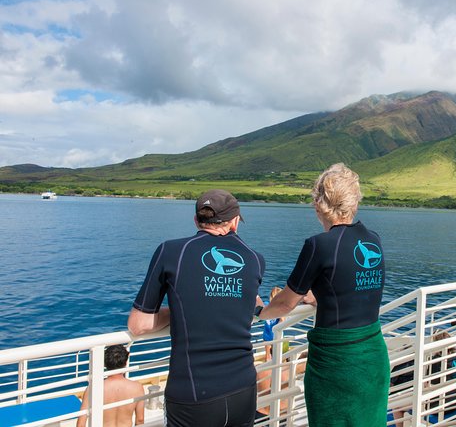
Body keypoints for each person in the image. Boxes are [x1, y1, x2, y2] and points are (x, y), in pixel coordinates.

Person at [258, 163, 390, 426]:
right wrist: (318, 298)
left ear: (319, 204)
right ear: (353, 201)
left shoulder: (318, 245)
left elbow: (284, 304)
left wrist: (260, 313)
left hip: (338, 363)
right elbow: (353, 286)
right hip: (373, 354)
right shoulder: (373, 239)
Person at [127, 189, 265, 427]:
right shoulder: (255, 259)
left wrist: (184, 309)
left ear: (196, 220)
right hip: (243, 388)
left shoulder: (171, 251)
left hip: (193, 393)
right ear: (234, 222)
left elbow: (138, 325)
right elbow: (252, 304)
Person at [77, 344, 145, 427]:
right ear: (126, 362)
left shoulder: (93, 388)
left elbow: (80, 424)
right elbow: (140, 420)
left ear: (105, 364)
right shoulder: (137, 387)